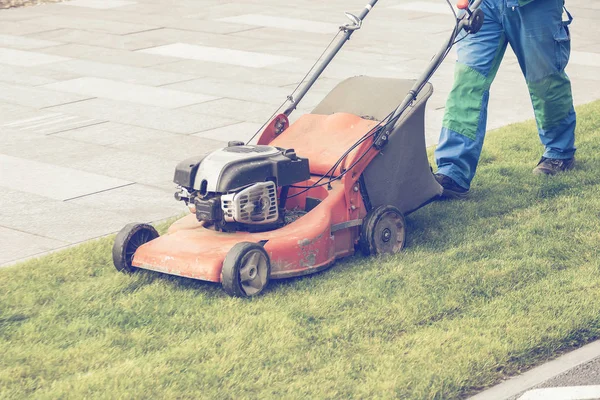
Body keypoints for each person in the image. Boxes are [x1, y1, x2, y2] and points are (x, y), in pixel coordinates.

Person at [434, 0, 576, 199]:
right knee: (467, 82)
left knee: (545, 80)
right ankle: (453, 170)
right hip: (483, 5)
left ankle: (559, 151)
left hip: (535, 5)